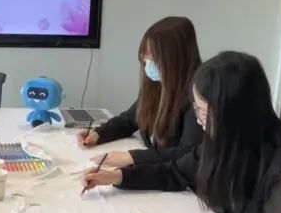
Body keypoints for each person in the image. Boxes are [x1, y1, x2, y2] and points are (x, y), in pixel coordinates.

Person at [82, 51, 281, 213]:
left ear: (231, 112)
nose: (199, 121)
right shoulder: (226, 136)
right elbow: (177, 171)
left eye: (202, 112)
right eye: (196, 109)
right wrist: (118, 177)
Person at [78, 16, 202, 167]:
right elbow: (129, 119)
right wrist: (98, 134)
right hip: (156, 171)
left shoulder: (199, 96)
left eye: (154, 57)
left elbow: (187, 153)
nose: (148, 63)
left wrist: (132, 157)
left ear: (177, 58)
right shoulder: (157, 85)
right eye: (145, 55)